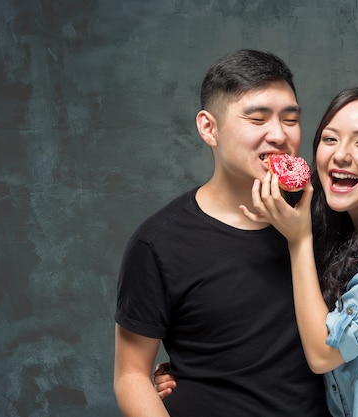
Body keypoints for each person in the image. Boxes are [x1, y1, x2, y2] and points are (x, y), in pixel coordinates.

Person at [157, 85, 358, 415]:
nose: (341, 154)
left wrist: (299, 240)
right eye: (330, 138)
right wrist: (194, 371)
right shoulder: (341, 243)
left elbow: (324, 353)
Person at [113, 49, 329, 417]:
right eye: (257, 118)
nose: (278, 134)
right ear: (208, 128)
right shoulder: (158, 242)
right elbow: (131, 376)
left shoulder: (328, 217)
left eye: (290, 119)